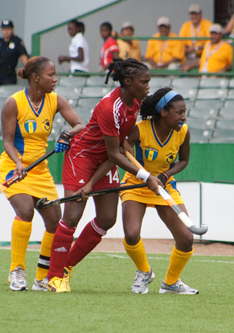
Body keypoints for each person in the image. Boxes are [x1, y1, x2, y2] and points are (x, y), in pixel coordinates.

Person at [46, 58, 163, 293]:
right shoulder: (110, 108)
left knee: (107, 218)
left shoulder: (136, 101)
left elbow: (115, 150)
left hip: (106, 160)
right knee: (73, 215)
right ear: (128, 82)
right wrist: (145, 176)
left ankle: (66, 266)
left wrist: (126, 142)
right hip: (83, 157)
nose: (148, 86)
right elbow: (113, 152)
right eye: (144, 82)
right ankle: (54, 276)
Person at [0, 56, 85, 291]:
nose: (55, 79)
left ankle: (41, 277)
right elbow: (7, 141)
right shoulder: (13, 103)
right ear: (35, 78)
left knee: (55, 221)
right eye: (50, 75)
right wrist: (17, 163)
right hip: (14, 167)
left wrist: (67, 133)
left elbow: (80, 125)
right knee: (25, 211)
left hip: (40, 171)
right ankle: (16, 271)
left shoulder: (55, 101)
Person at [120, 87, 198, 295]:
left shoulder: (183, 132)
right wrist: (125, 146)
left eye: (184, 112)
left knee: (186, 238)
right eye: (179, 112)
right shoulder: (141, 129)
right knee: (131, 233)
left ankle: (171, 283)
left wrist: (163, 177)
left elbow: (183, 160)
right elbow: (123, 148)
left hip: (165, 187)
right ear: (164, 112)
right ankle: (144, 271)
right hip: (136, 185)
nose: (183, 116)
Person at [0, 20, 28, 96]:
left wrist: (29, 69)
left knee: (8, 97)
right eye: (4, 29)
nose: (6, 31)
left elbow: (24, 57)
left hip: (8, 75)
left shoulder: (17, 42)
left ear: (12, 29)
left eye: (8, 29)